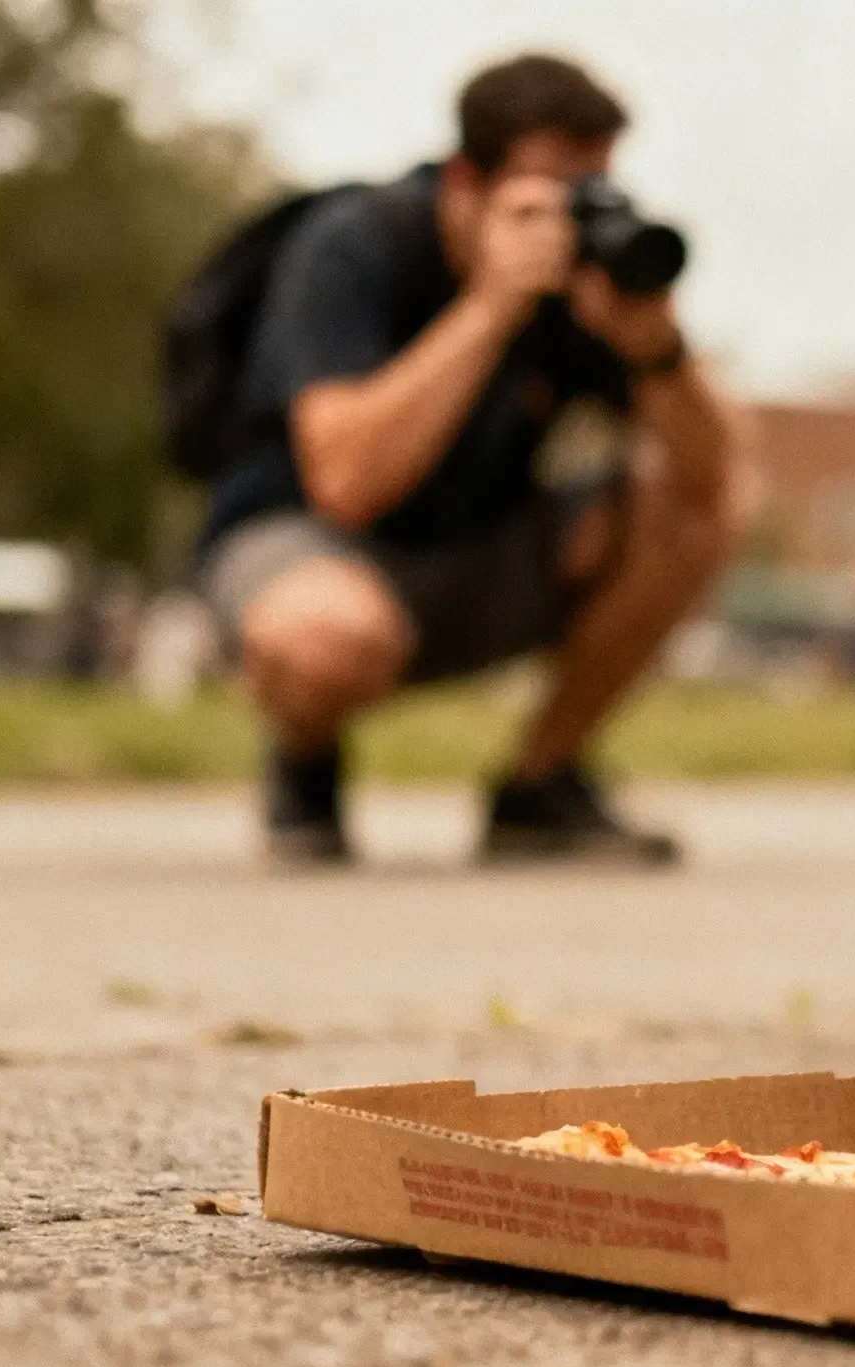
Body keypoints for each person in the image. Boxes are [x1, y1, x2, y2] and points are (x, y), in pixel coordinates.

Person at [195, 54, 736, 866]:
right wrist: (489, 308)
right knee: (325, 638)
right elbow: (346, 485)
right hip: (314, 549)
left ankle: (537, 787)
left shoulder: (581, 286)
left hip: (480, 553)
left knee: (691, 512)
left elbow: (712, 481)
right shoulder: (353, 245)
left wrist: (656, 348)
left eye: (593, 192)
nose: (571, 221)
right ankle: (305, 760)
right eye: (549, 193)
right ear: (465, 181)